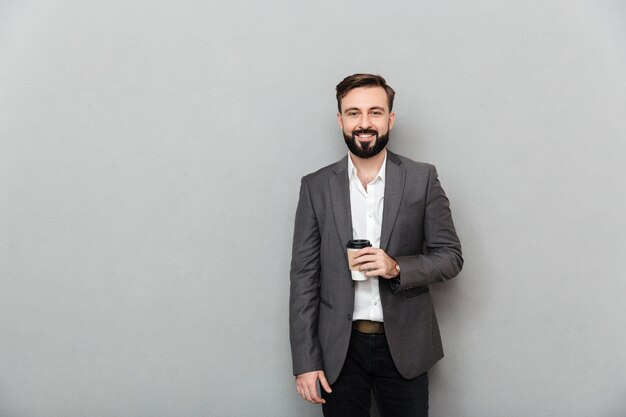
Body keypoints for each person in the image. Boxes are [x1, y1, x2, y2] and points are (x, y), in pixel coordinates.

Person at [289, 73, 463, 417]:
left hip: (406, 347)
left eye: (375, 112)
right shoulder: (316, 186)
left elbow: (451, 257)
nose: (364, 123)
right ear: (340, 119)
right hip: (339, 350)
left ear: (390, 119)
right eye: (353, 113)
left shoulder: (421, 178)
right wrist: (305, 361)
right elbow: (304, 278)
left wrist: (396, 266)